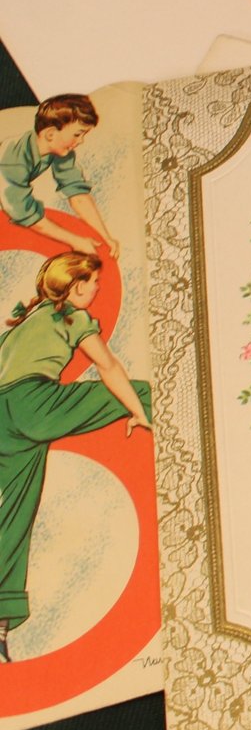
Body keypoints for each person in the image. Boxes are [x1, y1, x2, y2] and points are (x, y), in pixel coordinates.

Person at [0, 252, 151, 661]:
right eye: (94, 283)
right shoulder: (71, 316)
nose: (98, 289)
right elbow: (108, 365)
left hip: (3, 420)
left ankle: (1, 619)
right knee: (143, 393)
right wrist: (137, 412)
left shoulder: (23, 322)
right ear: (77, 286)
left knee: (14, 513)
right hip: (33, 405)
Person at [1, 96, 117, 259]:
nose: (81, 141)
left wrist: (105, 237)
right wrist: (75, 241)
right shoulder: (12, 158)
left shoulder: (60, 150)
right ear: (50, 134)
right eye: (77, 134)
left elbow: (77, 193)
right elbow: (23, 212)